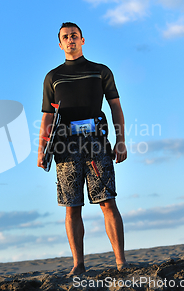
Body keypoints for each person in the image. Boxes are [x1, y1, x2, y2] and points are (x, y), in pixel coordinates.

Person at [37, 22, 128, 276]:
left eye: (74, 36)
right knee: (72, 206)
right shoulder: (52, 77)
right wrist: (41, 150)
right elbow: (46, 117)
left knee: (107, 202)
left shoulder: (101, 71)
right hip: (64, 147)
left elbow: (116, 108)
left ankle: (121, 262)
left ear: (83, 40)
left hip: (96, 143)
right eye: (65, 37)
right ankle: (78, 265)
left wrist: (120, 140)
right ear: (60, 44)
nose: (70, 40)